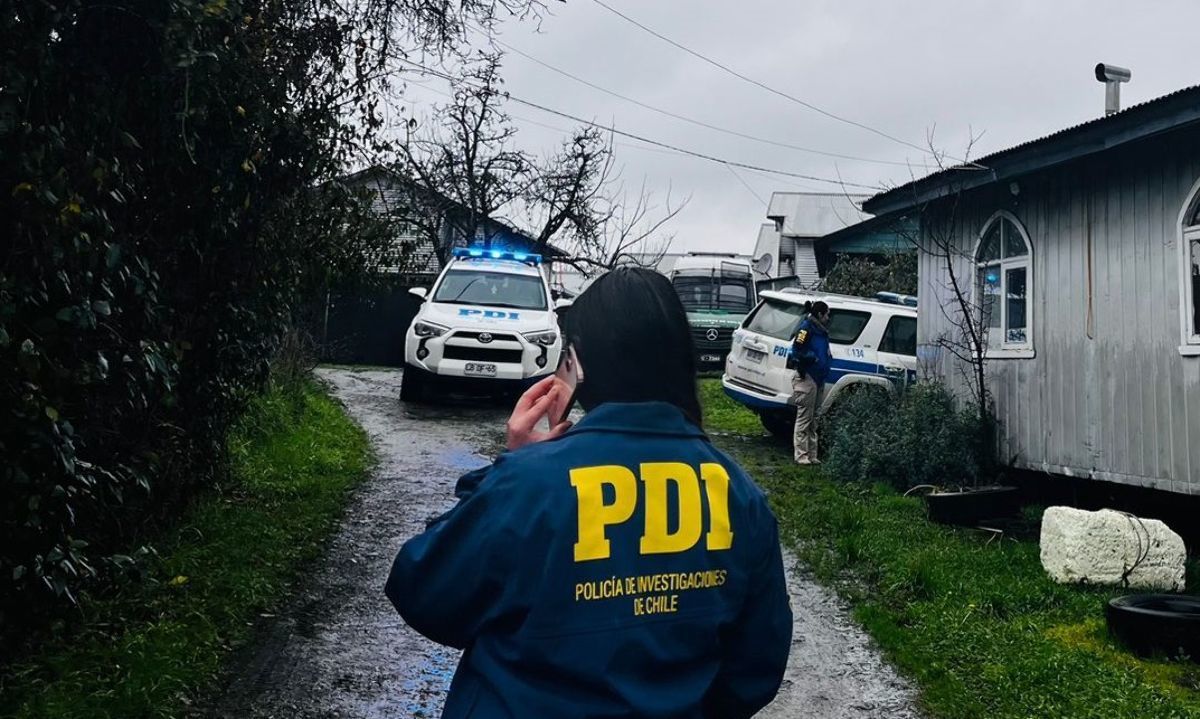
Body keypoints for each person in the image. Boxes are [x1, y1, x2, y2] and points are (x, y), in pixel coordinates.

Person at [385, 267, 792, 719]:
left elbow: (424, 591)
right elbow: (756, 667)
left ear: (577, 362)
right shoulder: (741, 497)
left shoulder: (529, 484)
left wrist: (509, 463)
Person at [788, 300, 832, 465]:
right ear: (820, 314)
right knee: (804, 418)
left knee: (814, 419)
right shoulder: (806, 329)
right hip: (808, 376)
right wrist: (811, 359)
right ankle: (801, 455)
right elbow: (797, 351)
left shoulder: (821, 331)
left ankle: (812, 455)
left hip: (819, 377)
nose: (828, 318)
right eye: (827, 314)